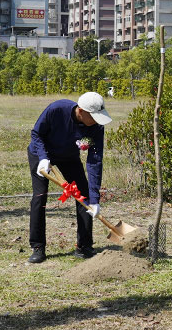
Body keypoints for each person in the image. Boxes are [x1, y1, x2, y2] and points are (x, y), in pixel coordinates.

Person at [27, 91, 112, 264]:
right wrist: (43, 158)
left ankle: (84, 246)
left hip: (68, 156)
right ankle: (38, 247)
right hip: (41, 153)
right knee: (39, 196)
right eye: (94, 117)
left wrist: (95, 199)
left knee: (84, 195)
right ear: (81, 111)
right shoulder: (57, 109)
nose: (96, 121)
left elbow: (95, 161)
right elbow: (37, 134)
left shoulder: (96, 127)